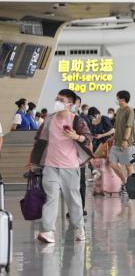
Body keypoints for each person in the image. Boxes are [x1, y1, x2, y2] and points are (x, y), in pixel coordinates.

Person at [31, 89, 93, 243]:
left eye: (61, 100)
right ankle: (48, 231)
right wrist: (33, 160)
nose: (57, 102)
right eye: (57, 98)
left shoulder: (76, 120)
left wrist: (76, 136)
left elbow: (88, 138)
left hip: (70, 167)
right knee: (50, 198)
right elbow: (40, 140)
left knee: (73, 200)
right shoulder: (49, 120)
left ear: (70, 104)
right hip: (50, 165)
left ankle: (79, 228)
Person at [109, 90, 135, 185]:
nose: (117, 100)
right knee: (112, 163)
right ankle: (124, 181)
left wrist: (125, 140)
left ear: (123, 99)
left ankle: (131, 186)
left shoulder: (129, 110)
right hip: (117, 142)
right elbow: (116, 127)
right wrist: (113, 137)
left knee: (128, 166)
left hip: (127, 143)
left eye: (118, 98)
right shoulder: (118, 111)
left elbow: (129, 126)